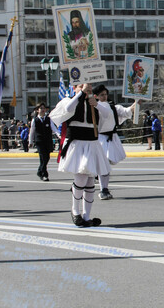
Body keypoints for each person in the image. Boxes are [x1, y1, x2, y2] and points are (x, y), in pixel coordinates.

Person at [49, 83, 112, 227]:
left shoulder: (94, 103)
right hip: (77, 143)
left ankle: (86, 216)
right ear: (74, 87)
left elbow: (107, 114)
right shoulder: (69, 100)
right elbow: (67, 109)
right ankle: (75, 211)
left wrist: (95, 103)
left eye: (88, 86)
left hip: (91, 143)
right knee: (81, 177)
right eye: (81, 85)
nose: (86, 88)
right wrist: (80, 94)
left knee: (90, 182)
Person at [93, 84, 137, 200]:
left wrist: (136, 103)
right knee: (104, 165)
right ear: (96, 96)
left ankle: (103, 186)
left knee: (107, 164)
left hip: (111, 138)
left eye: (106, 94)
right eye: (102, 95)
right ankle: (103, 189)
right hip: (101, 138)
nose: (104, 96)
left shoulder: (113, 107)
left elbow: (126, 112)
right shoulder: (94, 108)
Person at [29, 102, 59, 181]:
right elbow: (32, 132)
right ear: (37, 110)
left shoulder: (48, 119)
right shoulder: (34, 120)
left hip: (47, 141)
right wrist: (30, 142)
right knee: (43, 157)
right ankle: (44, 174)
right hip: (39, 141)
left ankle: (40, 171)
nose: (42, 110)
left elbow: (54, 128)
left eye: (44, 108)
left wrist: (59, 135)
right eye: (41, 108)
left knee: (47, 157)